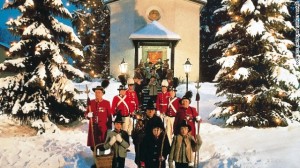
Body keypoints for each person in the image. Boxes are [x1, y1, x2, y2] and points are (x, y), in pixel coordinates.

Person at [85, 86, 112, 151]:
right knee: (93, 145)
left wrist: (109, 127)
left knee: (102, 144)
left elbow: (109, 116)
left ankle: (101, 158)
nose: (97, 94)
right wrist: (88, 115)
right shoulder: (90, 103)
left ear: (102, 93)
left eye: (99, 92)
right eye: (96, 92)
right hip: (93, 127)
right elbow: (86, 114)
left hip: (103, 128)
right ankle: (95, 158)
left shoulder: (106, 103)